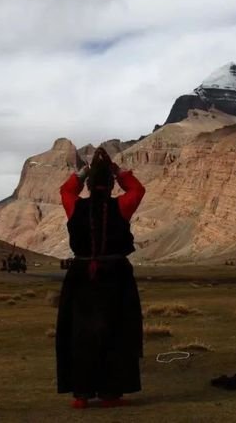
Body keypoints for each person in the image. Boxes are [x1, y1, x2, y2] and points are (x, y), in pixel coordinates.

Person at [55, 146, 145, 409]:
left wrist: (80, 173)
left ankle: (81, 394)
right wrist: (120, 172)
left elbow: (66, 191)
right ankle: (110, 393)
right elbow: (137, 191)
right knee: (116, 331)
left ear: (89, 184)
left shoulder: (75, 206)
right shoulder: (122, 206)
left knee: (80, 332)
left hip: (81, 276)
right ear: (110, 183)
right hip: (116, 276)